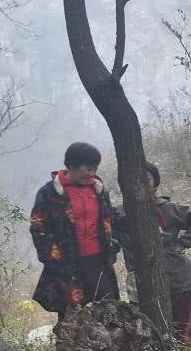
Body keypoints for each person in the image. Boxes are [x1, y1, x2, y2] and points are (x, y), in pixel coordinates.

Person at [30, 142, 120, 320]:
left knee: (108, 311)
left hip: (98, 261)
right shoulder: (50, 193)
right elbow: (38, 225)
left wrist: (112, 245)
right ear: (71, 165)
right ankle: (70, 347)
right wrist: (53, 256)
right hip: (67, 263)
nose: (92, 173)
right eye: (87, 169)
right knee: (71, 316)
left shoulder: (98, 190)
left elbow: (109, 218)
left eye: (94, 169)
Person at [119, 163, 191, 338]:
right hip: (142, 285)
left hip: (179, 281)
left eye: (147, 178)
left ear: (156, 184)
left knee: (183, 334)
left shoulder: (168, 209)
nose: (141, 182)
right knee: (150, 335)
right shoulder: (121, 216)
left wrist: (181, 243)